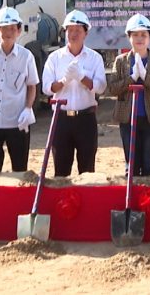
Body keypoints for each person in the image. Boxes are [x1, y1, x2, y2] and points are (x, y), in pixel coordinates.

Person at [104, 14, 150, 176]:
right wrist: (132, 78)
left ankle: (148, 193)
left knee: (149, 166)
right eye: (135, 34)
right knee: (132, 167)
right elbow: (112, 89)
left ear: (149, 37)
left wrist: (146, 77)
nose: (139, 38)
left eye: (143, 34)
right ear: (129, 37)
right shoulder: (121, 61)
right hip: (128, 119)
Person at [42, 10, 107, 176]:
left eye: (78, 30)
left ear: (86, 33)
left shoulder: (94, 58)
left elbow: (101, 87)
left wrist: (82, 78)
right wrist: (64, 81)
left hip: (86, 118)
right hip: (61, 119)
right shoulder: (55, 58)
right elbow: (46, 88)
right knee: (61, 171)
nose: (73, 34)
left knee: (87, 170)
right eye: (70, 30)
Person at [0, 7, 39, 173]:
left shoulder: (26, 56)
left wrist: (28, 108)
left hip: (17, 122)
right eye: (4, 28)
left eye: (12, 28)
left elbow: (31, 86)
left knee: (20, 170)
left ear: (18, 30)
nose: (8, 33)